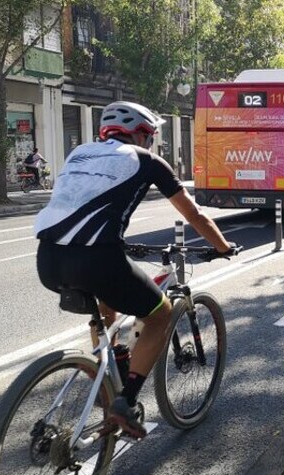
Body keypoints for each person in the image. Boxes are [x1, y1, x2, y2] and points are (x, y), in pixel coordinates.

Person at [34, 101, 235, 438]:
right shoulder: (148, 161)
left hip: (49, 261)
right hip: (98, 259)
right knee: (159, 315)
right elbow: (195, 215)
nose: (151, 143)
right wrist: (222, 246)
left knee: (105, 307)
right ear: (142, 135)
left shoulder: (78, 154)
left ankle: (106, 371)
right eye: (151, 136)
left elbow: (78, 205)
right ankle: (125, 401)